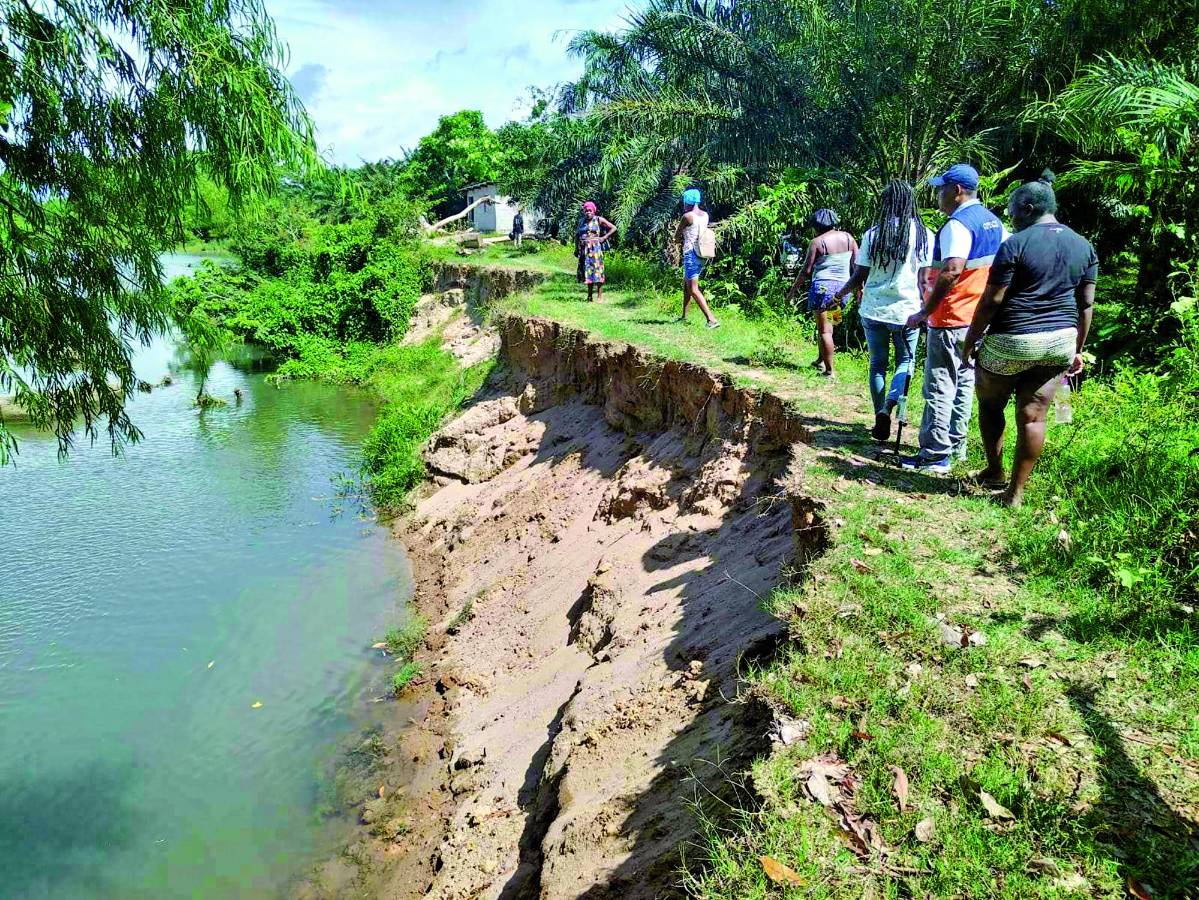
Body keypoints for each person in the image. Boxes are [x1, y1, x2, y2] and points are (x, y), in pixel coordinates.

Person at [961, 172, 1097, 507]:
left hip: (1012, 339)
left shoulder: (1015, 244)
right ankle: (1015, 494)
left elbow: (992, 300)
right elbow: (1086, 305)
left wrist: (971, 340)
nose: (1010, 215)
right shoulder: (1084, 246)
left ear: (1028, 207)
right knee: (1034, 415)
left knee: (991, 404)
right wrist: (1076, 349)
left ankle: (994, 471)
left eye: (1012, 209)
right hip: (1058, 343)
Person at [901, 163, 1008, 474]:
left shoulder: (957, 225)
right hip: (978, 319)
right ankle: (956, 447)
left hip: (951, 317)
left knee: (939, 384)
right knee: (963, 382)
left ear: (957, 191)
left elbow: (951, 270)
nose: (938, 196)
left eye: (941, 189)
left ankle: (934, 454)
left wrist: (925, 311)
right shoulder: (994, 222)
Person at [834, 181, 935, 441]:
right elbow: (924, 280)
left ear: (886, 203)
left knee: (877, 365)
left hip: (873, 309)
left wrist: (840, 294)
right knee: (906, 361)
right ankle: (890, 406)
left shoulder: (873, 234)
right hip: (906, 312)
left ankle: (879, 412)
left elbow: (860, 275)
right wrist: (927, 310)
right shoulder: (923, 234)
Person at [786, 209, 857, 376]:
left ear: (816, 225)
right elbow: (857, 266)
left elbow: (806, 271)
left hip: (822, 290)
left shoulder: (817, 242)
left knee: (824, 330)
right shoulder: (848, 238)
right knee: (831, 327)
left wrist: (792, 291)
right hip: (842, 290)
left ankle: (829, 371)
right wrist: (859, 289)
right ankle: (820, 359)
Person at [674, 188, 720, 328]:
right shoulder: (705, 215)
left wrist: (679, 239)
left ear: (687, 202)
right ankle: (684, 316)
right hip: (702, 254)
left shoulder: (687, 216)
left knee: (693, 288)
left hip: (691, 254)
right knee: (686, 285)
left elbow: (676, 236)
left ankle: (711, 320)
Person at [580, 201, 616, 302]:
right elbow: (577, 235)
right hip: (585, 250)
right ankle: (589, 296)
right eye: (586, 211)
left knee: (598, 272)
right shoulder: (581, 221)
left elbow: (613, 228)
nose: (588, 212)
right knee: (588, 272)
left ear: (593, 211)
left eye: (590, 210)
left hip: (595, 250)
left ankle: (599, 296)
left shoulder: (599, 219)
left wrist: (604, 237)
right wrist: (576, 248)